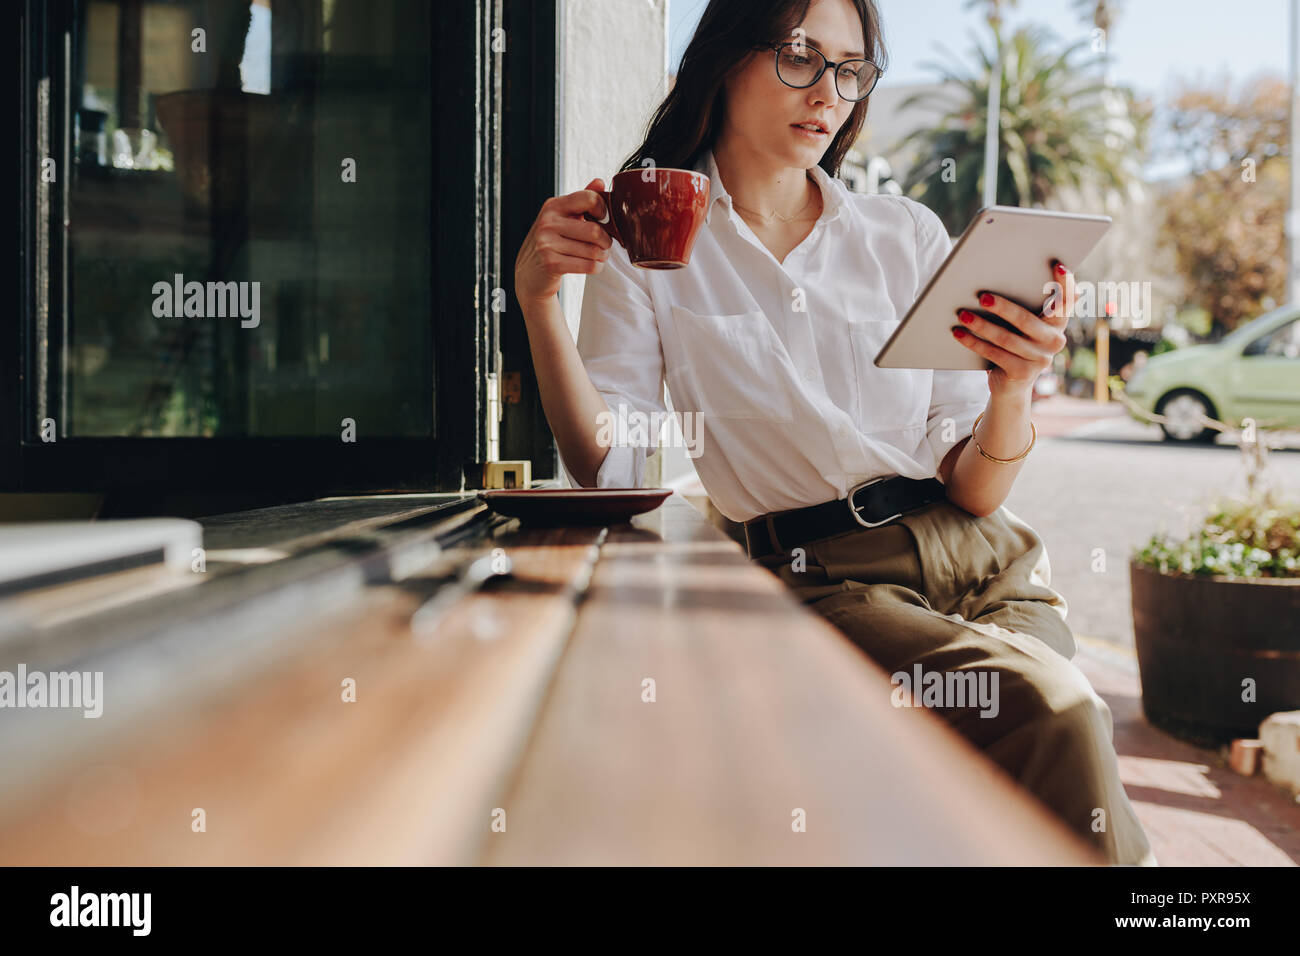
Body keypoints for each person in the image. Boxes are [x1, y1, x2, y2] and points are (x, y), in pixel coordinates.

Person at [513, 0, 1155, 866]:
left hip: (983, 557)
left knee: (1014, 778)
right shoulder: (649, 243)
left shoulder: (905, 236)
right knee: (1059, 718)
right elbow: (609, 463)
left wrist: (1016, 387)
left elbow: (975, 484)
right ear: (725, 60)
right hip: (827, 579)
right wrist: (540, 305)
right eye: (798, 55)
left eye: (851, 69)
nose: (829, 92)